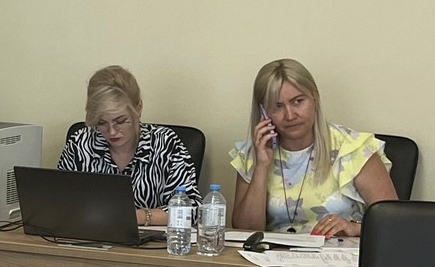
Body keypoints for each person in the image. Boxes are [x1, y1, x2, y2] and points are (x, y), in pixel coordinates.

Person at [230, 59, 397, 236]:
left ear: (314, 98)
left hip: (340, 251)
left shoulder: (354, 149)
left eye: (298, 101)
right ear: (264, 112)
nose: (290, 115)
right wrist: (262, 167)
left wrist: (353, 228)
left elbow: (394, 224)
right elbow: (245, 232)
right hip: (275, 253)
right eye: (277, 107)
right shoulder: (253, 154)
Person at [58, 65, 200, 225]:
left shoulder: (165, 143)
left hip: (150, 239)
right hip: (89, 235)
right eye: (101, 123)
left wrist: (136, 217)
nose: (112, 131)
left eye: (120, 121)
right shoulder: (81, 143)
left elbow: (191, 210)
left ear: (138, 108)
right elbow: (59, 201)